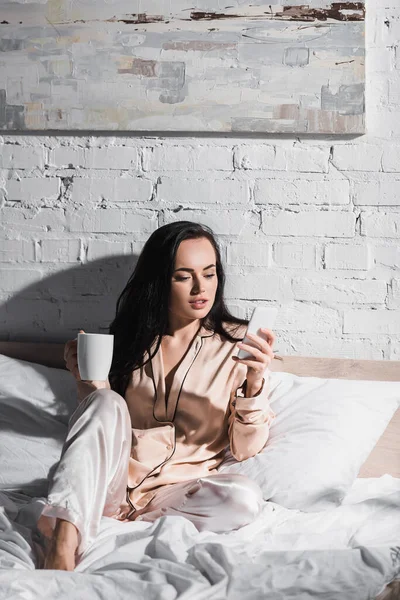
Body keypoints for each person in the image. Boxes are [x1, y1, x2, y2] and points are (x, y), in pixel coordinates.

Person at [36, 221, 281, 571]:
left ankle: (131, 524)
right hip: (114, 486)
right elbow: (105, 423)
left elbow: (246, 449)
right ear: (159, 280)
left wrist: (255, 382)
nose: (201, 288)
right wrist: (87, 382)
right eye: (183, 276)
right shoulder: (127, 340)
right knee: (106, 402)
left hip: (179, 494)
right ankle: (62, 542)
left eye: (209, 274)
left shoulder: (239, 345)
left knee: (244, 498)